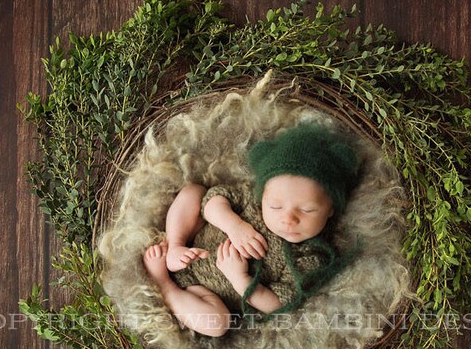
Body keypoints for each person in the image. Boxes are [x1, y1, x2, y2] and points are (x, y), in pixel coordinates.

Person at [143, 122, 361, 337]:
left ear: (330, 209)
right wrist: (234, 225)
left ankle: (164, 285)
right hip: (192, 242)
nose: (288, 219)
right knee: (194, 192)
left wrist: (240, 279)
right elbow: (212, 202)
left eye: (307, 210)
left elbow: (278, 304)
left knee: (217, 324)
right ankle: (174, 244)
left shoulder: (310, 257)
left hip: (204, 293)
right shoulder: (251, 202)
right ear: (262, 195)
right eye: (275, 206)